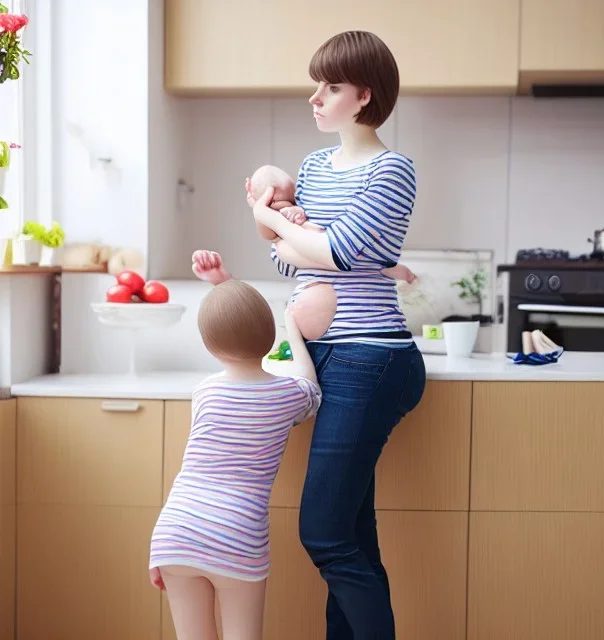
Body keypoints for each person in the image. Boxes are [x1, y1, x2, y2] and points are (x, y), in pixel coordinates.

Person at [246, 30, 427, 640]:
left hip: (371, 359)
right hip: (318, 356)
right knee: (351, 535)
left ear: (364, 96)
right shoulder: (314, 168)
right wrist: (296, 231)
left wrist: (270, 217)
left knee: (322, 532)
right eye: (316, 85)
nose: (315, 98)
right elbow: (287, 264)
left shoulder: (393, 169)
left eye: (331, 87)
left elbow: (343, 253)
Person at [149, 259, 321, 640]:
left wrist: (159, 552)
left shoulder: (204, 392)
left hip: (176, 531)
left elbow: (230, 332)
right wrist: (294, 330)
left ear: (209, 346)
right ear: (270, 336)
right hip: (237, 535)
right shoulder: (286, 395)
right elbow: (312, 390)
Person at [246, 163, 417, 340]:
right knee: (368, 263)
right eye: (276, 205)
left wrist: (289, 213)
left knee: (364, 261)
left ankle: (392, 269)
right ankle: (390, 268)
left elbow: (336, 249)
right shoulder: (278, 234)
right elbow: (272, 242)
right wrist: (261, 213)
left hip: (352, 327)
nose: (283, 207)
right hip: (320, 335)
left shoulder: (297, 214)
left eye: (291, 200)